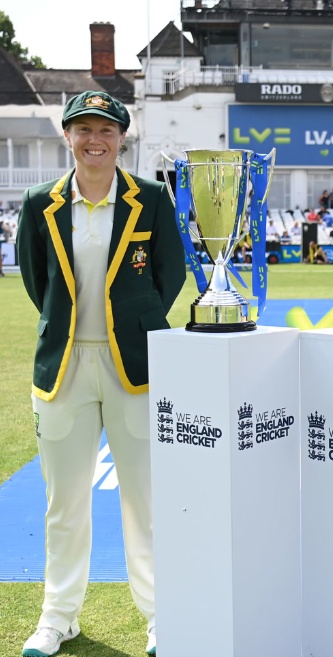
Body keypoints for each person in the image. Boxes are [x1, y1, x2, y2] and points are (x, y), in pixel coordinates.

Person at [16, 90, 186, 657]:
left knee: (145, 500)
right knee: (64, 503)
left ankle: (162, 616)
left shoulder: (153, 199)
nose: (95, 141)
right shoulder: (41, 202)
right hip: (64, 366)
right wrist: (72, 329)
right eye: (83, 130)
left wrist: (134, 325)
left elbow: (170, 273)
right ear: (68, 136)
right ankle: (57, 617)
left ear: (121, 138)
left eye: (106, 130)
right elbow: (36, 280)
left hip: (132, 365)